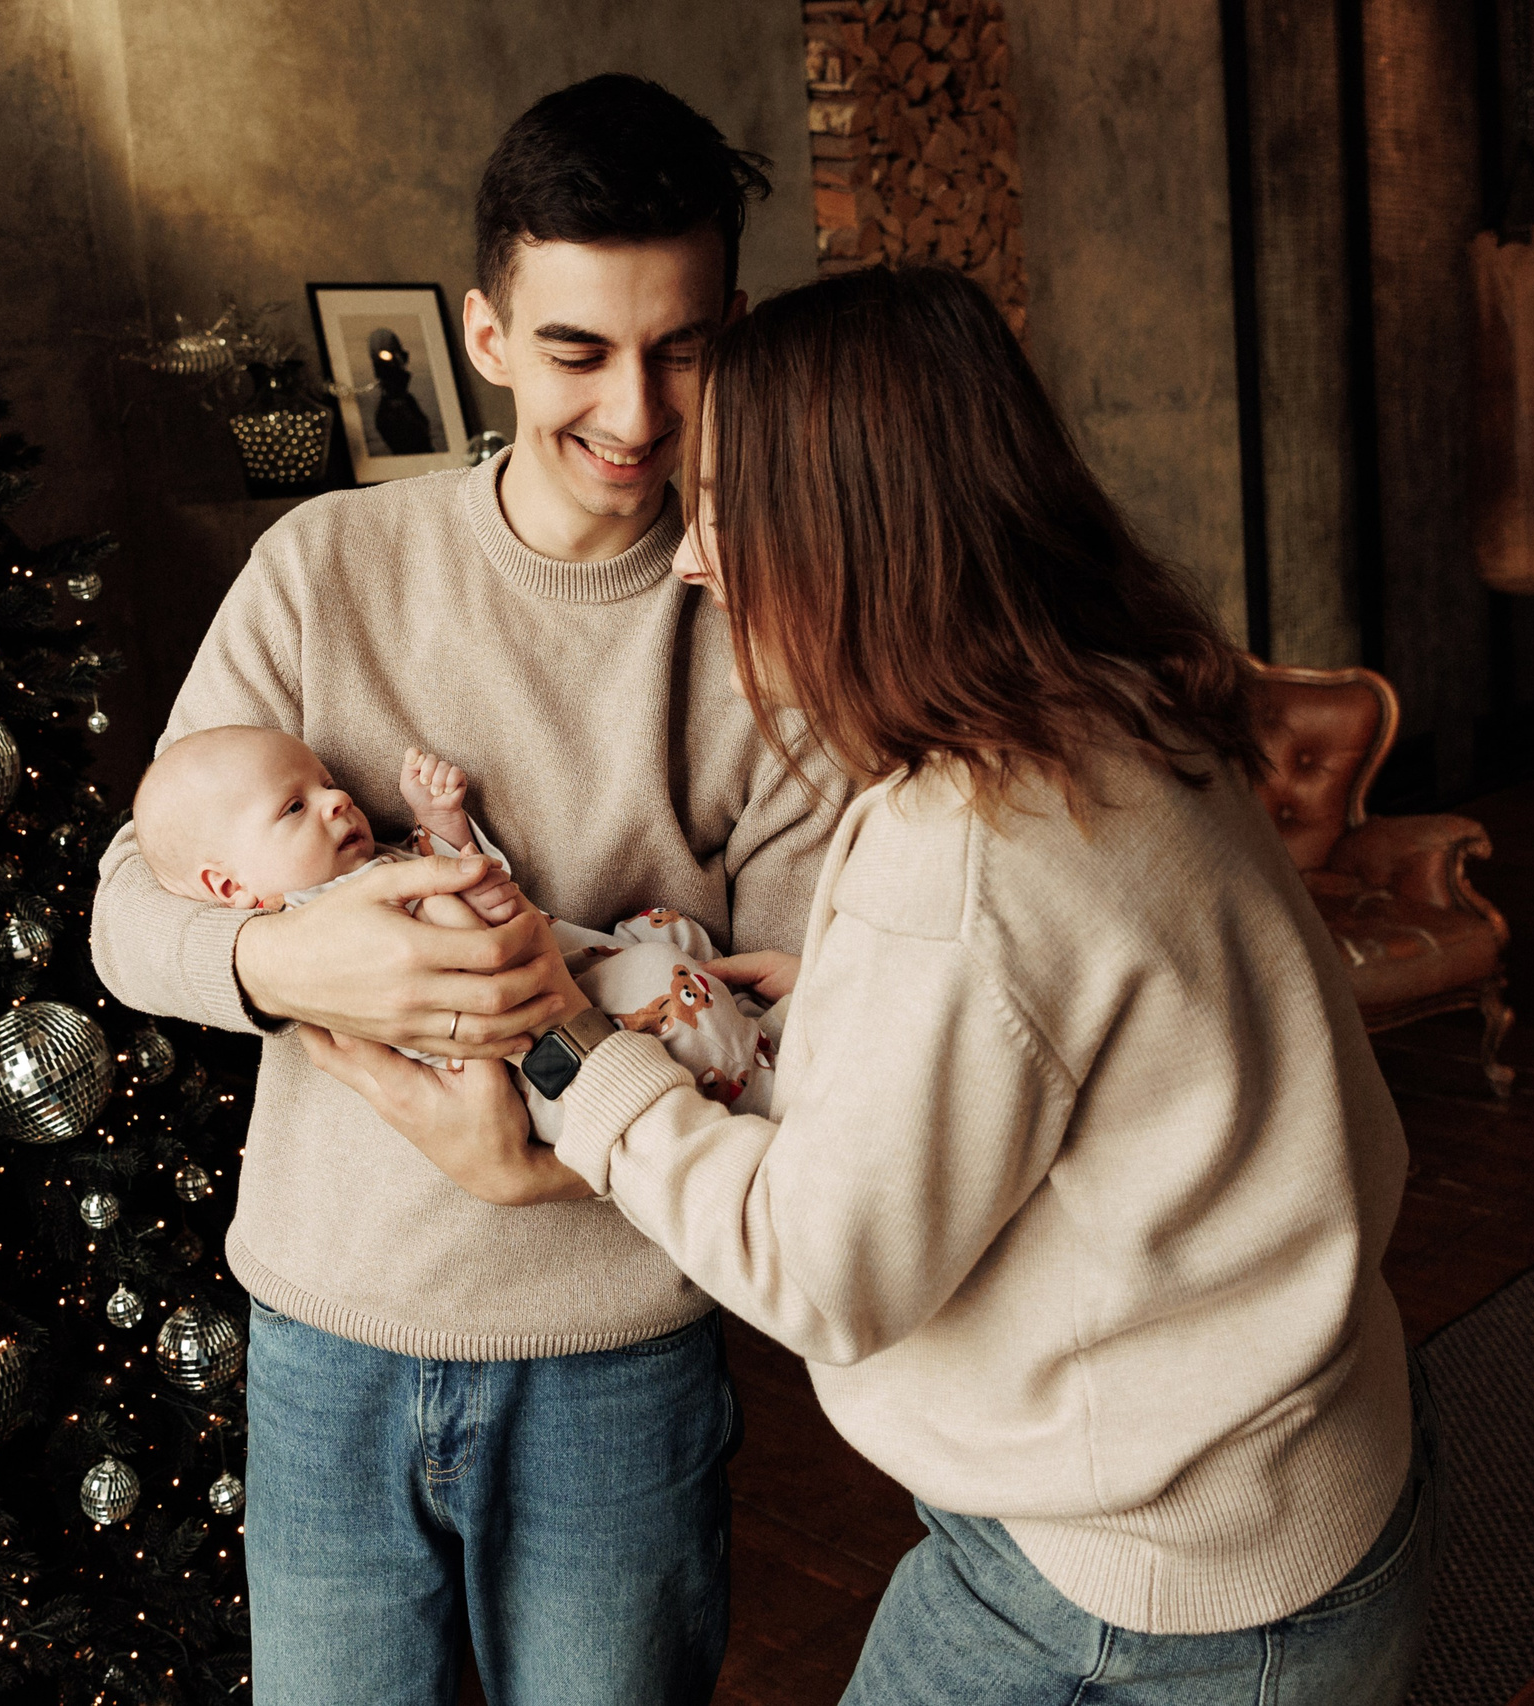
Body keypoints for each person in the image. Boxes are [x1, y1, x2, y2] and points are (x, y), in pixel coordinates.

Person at [307, 266, 1437, 1705]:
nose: (694, 558)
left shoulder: (967, 850)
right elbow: (1089, 1023)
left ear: (846, 530)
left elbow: (826, 1270)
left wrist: (573, 1057)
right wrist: (851, 991)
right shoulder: (1124, 705)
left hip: (1143, 1591)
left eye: (725, 504)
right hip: (1319, 1472)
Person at [91, 73, 843, 1706]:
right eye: (577, 351)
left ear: (738, 323)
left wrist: (544, 1163)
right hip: (324, 1341)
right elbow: (129, 911)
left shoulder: (775, 625)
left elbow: (813, 1035)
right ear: (488, 335)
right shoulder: (322, 567)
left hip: (616, 1356)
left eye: (683, 345)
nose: (635, 412)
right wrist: (290, 963)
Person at [131, 725, 780, 1119]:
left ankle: (746, 1019)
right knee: (659, 985)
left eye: (328, 782)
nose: (337, 799)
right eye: (294, 806)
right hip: (551, 1041)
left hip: (574, 954)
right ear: (230, 886)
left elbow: (460, 874)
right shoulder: (315, 924)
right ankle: (755, 1078)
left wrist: (443, 826)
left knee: (668, 930)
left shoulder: (372, 862)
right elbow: (431, 1018)